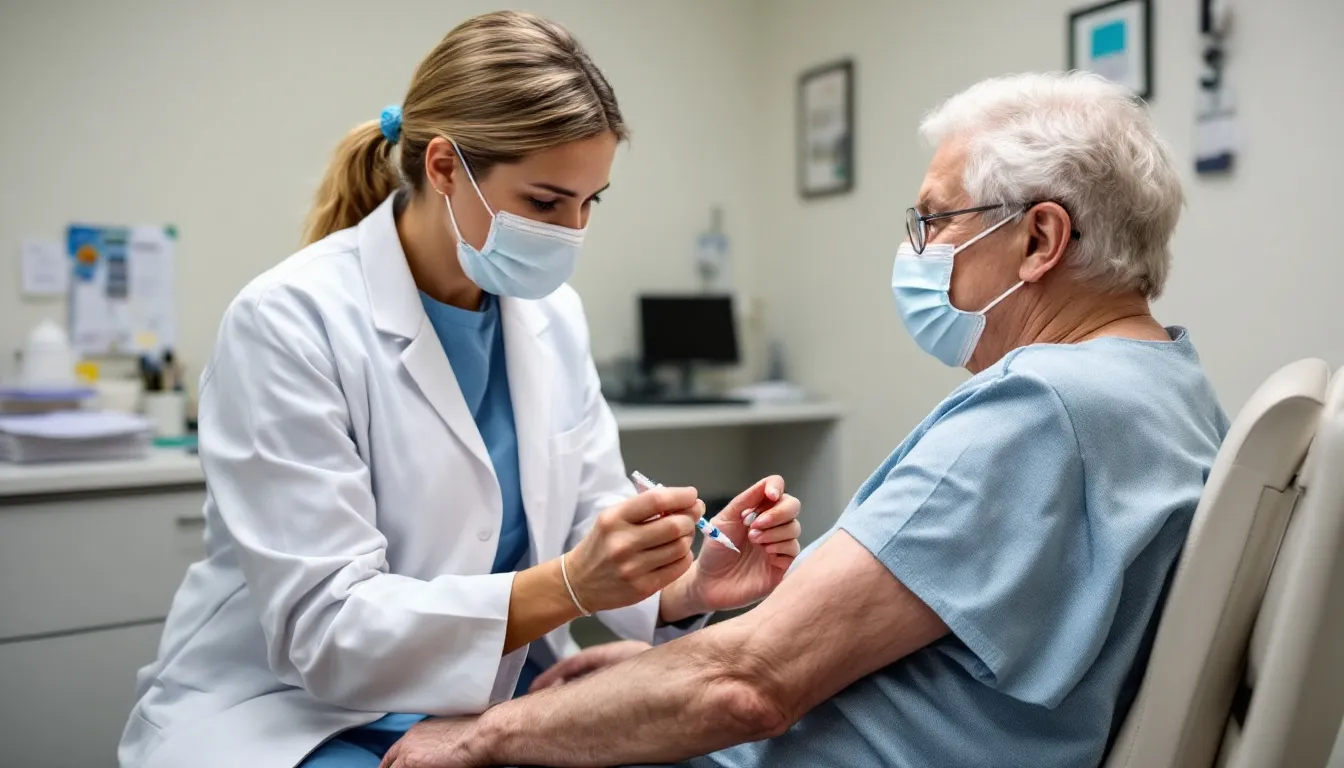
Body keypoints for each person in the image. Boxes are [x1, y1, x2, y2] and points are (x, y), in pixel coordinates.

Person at [375, 71, 1231, 768]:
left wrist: (483, 739)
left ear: (1041, 240)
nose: (917, 250)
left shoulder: (1042, 409)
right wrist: (657, 663)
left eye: (934, 221)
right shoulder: (1167, 388)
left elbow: (746, 686)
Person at [118, 11, 802, 768]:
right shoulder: (289, 319)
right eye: (546, 202)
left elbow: (588, 515)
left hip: (504, 693)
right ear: (443, 168)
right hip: (304, 710)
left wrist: (684, 585)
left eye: (590, 202)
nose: (572, 232)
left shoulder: (551, 316)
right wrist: (571, 585)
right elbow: (324, 627)